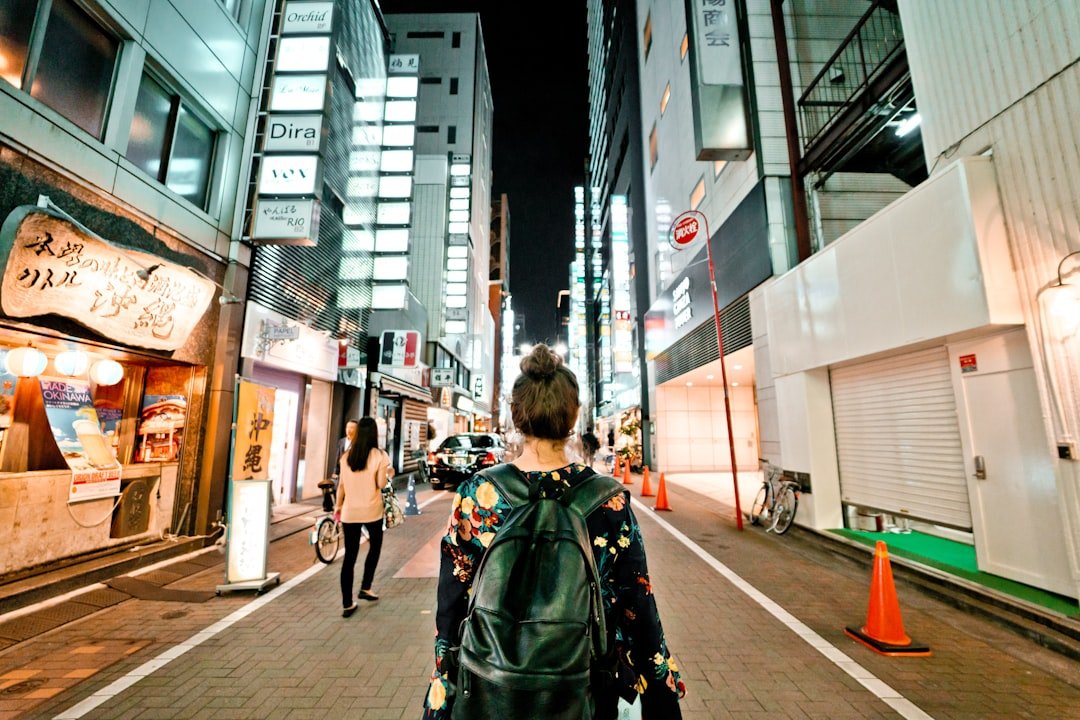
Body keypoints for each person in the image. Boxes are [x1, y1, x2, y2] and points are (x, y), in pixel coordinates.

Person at [422, 344, 685, 719]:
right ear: (574, 415)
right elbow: (638, 605)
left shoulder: (478, 495)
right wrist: (661, 690)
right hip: (585, 686)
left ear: (516, 415)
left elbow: (452, 601)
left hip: (490, 684)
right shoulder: (608, 501)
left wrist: (443, 684)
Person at [334, 417, 395, 618]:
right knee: (375, 547)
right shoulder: (379, 455)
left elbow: (341, 486)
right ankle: (366, 586)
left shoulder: (346, 457)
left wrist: (338, 507)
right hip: (372, 511)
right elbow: (381, 483)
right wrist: (389, 474)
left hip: (350, 512)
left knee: (349, 557)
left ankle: (347, 603)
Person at [332, 419, 358, 483]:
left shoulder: (358, 443)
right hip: (341, 474)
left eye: (351, 428)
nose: (348, 430)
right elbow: (338, 458)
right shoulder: (341, 441)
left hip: (353, 474)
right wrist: (335, 472)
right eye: (347, 427)